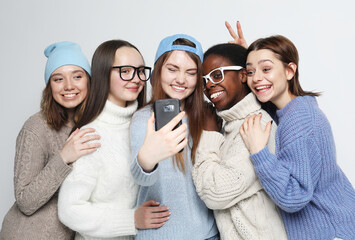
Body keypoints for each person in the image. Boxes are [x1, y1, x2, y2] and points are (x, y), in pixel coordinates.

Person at [240, 35, 355, 240]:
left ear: (289, 71)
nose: (256, 78)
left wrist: (259, 153)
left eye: (266, 69)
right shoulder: (294, 110)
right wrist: (248, 54)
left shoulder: (299, 120)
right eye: (250, 71)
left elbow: (293, 197)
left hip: (329, 232)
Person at [58, 39, 170, 240]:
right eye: (125, 71)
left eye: (140, 71)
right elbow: (69, 209)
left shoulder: (147, 124)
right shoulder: (91, 135)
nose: (136, 79)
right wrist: (131, 220)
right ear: (103, 75)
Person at [0, 41, 101, 240]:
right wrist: (64, 157)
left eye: (77, 76)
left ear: (89, 81)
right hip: (27, 234)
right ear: (49, 86)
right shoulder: (36, 127)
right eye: (58, 79)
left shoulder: (94, 124)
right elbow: (25, 202)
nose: (69, 86)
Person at [192, 43, 288, 240]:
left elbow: (214, 193)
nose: (209, 85)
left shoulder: (256, 125)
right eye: (204, 80)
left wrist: (208, 135)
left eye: (217, 75)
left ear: (243, 75)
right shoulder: (228, 125)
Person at [130, 34, 219, 239]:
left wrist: (242, 59)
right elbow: (140, 176)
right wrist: (147, 159)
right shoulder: (144, 119)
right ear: (159, 70)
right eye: (172, 69)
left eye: (191, 72)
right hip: (159, 235)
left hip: (207, 234)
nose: (181, 79)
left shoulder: (208, 116)